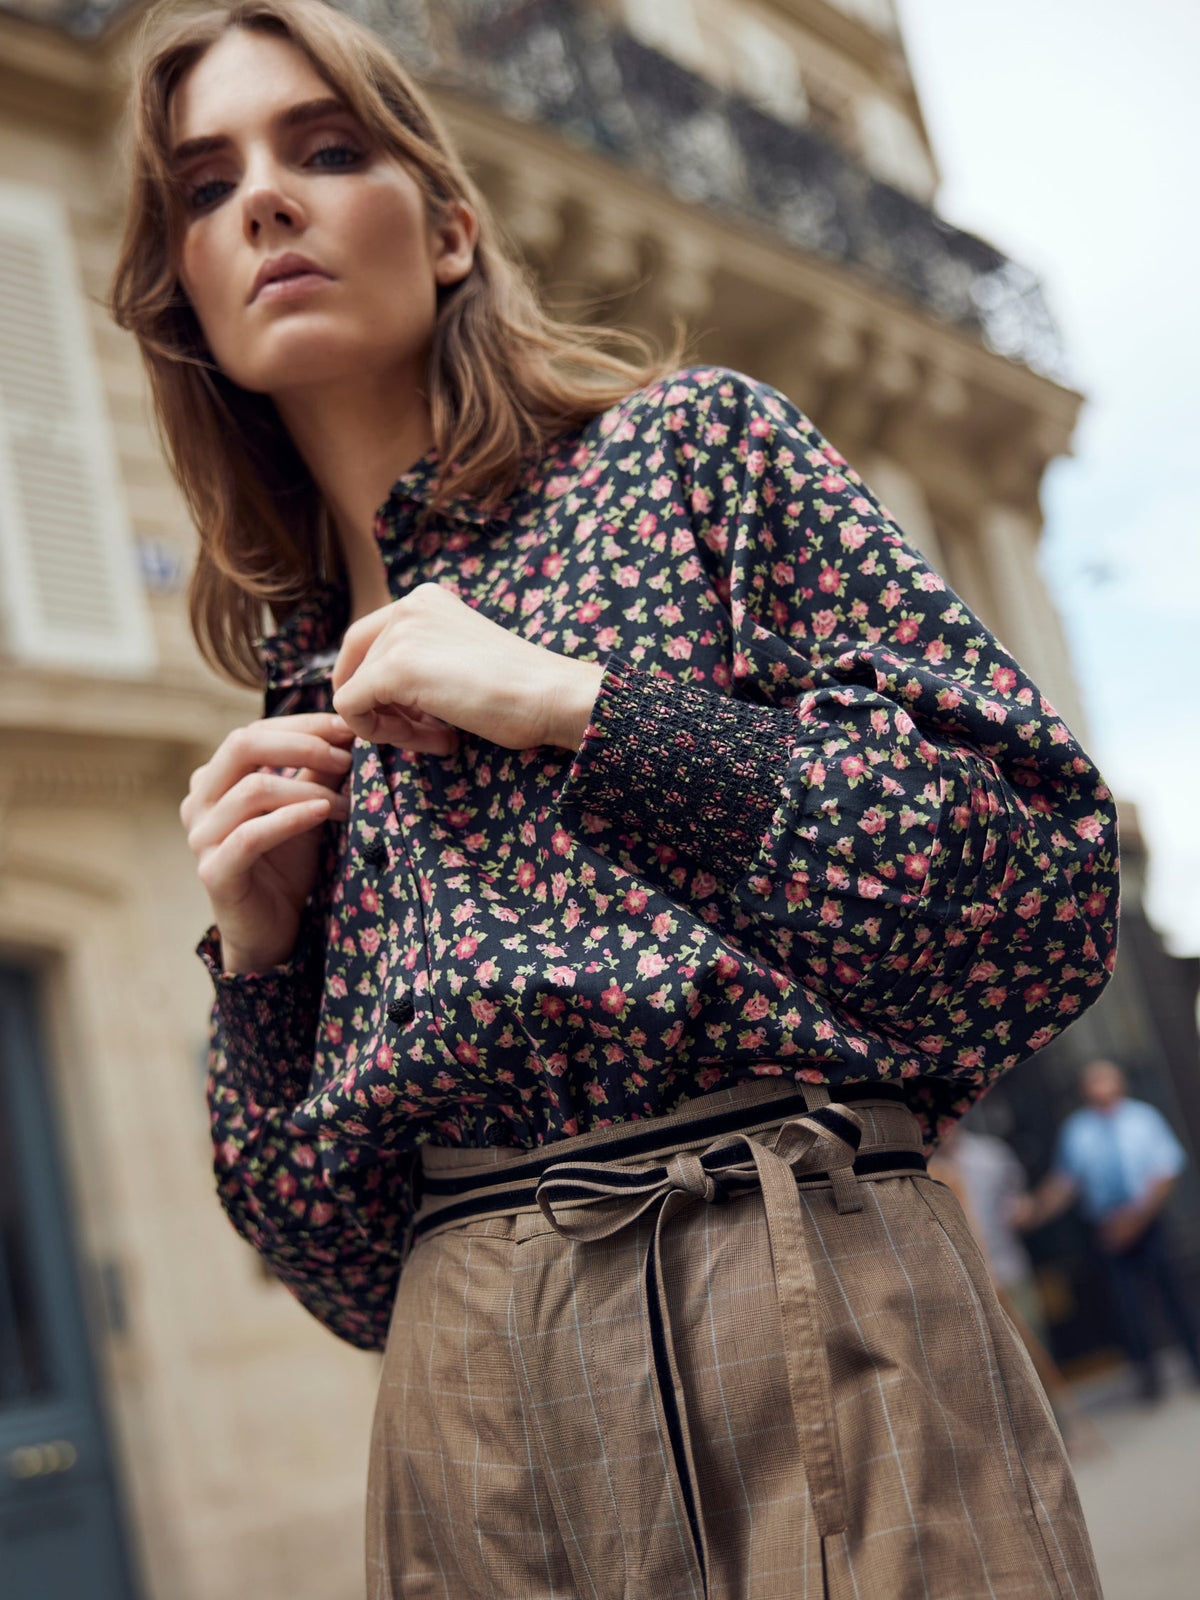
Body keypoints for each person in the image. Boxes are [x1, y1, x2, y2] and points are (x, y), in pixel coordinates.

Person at [110, 2, 1119, 1594]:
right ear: (183, 284)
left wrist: (576, 706)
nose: (265, 201)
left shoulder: (693, 457)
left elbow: (1032, 904)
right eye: (202, 181)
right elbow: (334, 1263)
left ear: (448, 229)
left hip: (809, 1306)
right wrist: (255, 962)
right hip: (465, 1411)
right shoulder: (290, 703)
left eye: (323, 147)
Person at [1023, 1058, 1200, 1401]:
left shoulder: (1143, 1118)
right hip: (1105, 1228)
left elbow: (1165, 1171)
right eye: (1093, 1082)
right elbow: (1066, 1181)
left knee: (1174, 1295)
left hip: (1146, 1223)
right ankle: (1148, 1377)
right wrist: (1034, 1211)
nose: (1100, 1088)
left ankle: (1195, 1362)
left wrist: (1135, 1219)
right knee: (1126, 1305)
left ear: (1119, 1083)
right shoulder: (1078, 1129)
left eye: (1106, 1080)